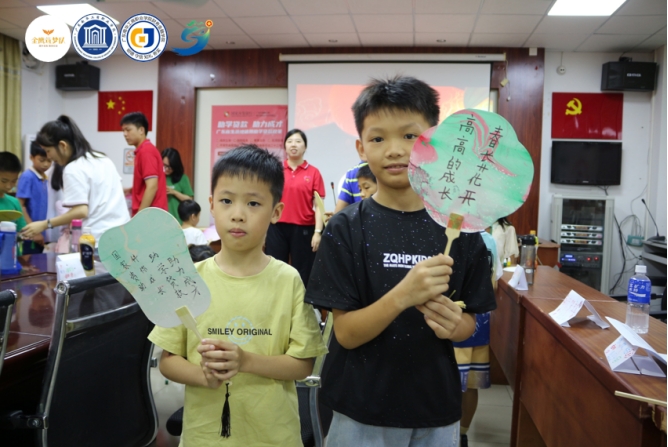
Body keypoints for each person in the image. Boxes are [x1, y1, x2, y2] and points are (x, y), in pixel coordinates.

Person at [305, 76, 496, 447]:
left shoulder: (460, 227)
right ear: (361, 147)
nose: (394, 150)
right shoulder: (345, 228)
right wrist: (404, 295)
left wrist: (453, 324)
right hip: (360, 407)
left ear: (433, 142)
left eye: (409, 136)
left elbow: (469, 323)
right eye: (378, 139)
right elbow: (345, 333)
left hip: (435, 406)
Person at [149, 145, 327, 446]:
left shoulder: (288, 280)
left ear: (276, 212)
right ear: (211, 205)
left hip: (274, 436)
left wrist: (244, 361)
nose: (238, 215)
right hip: (205, 437)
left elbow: (302, 365)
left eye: (254, 203)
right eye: (227, 201)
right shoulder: (190, 279)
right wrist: (203, 376)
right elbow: (168, 361)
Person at [21, 115, 130, 244]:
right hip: (124, 235)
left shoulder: (73, 168)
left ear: (63, 145)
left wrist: (45, 224)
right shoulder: (103, 159)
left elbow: (81, 211)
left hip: (99, 239)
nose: (48, 157)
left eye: (48, 151)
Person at [453, 230, 503, 447]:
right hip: (480, 318)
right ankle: (463, 434)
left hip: (452, 316)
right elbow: (495, 282)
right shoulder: (487, 239)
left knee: (450, 380)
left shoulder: (446, 233)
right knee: (470, 384)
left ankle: (450, 432)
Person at [264, 129, 325, 287]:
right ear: (285, 146)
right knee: (274, 268)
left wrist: (318, 232)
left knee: (303, 271)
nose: (293, 145)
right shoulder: (276, 170)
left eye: (298, 141)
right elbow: (267, 200)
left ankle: (302, 302)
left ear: (305, 147)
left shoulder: (313, 172)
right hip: (277, 227)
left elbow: (319, 206)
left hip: (304, 229)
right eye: (290, 141)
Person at [120, 111, 168, 216]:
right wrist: (131, 190)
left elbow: (152, 186)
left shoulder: (146, 152)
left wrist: (140, 216)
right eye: (123, 130)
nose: (125, 134)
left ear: (141, 130)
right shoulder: (143, 151)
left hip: (151, 215)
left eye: (128, 130)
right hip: (151, 214)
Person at [16, 141, 51, 254]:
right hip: (29, 234)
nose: (46, 164)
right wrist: (33, 231)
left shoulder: (44, 178)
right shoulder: (27, 176)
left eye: (49, 161)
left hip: (39, 232)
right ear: (31, 157)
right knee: (29, 262)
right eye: (42, 160)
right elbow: (20, 205)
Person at [162, 147, 194, 224]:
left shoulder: (183, 178)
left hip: (177, 221)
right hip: (161, 221)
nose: (166, 169)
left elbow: (189, 199)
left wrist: (174, 192)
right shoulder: (157, 177)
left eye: (170, 167)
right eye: (164, 165)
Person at [0, 152, 27, 232]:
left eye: (14, 181)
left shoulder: (15, 202)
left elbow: (21, 231)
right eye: (4, 181)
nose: (9, 186)